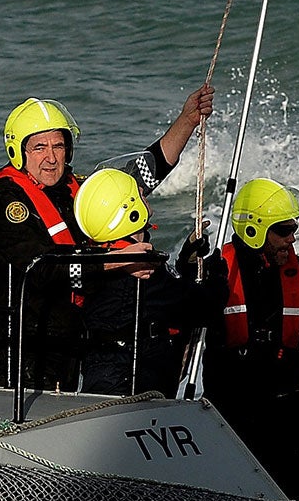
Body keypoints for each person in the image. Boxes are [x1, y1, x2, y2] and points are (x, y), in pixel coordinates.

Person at [0, 83, 213, 390]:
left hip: (67, 344)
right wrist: (117, 262)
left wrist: (187, 120)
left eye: (58, 146)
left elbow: (138, 178)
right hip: (21, 350)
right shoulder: (3, 204)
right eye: (39, 148)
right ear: (18, 151)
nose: (51, 158)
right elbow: (39, 268)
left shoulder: (72, 191)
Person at [193, 177, 299, 497]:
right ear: (255, 230)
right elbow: (180, 331)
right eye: (283, 230)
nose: (292, 239)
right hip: (230, 412)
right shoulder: (215, 274)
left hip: (287, 413)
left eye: (293, 229)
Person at [71, 169, 204, 396]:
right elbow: (195, 306)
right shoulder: (140, 269)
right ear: (129, 212)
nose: (145, 194)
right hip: (130, 380)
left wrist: (187, 261)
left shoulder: (97, 259)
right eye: (139, 195)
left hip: (102, 373)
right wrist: (216, 277)